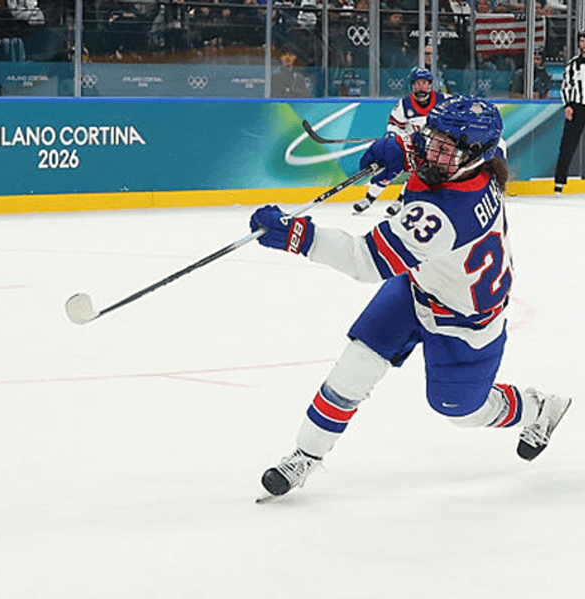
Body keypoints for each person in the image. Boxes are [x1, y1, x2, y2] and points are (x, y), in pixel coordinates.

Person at [248, 96, 571, 501]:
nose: (433, 153)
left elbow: (364, 261)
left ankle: (540, 408)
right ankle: (305, 455)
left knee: (463, 411)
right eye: (433, 140)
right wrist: (405, 147)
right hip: (418, 285)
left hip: (466, 322)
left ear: (474, 156)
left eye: (444, 149)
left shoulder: (446, 216)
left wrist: (298, 236)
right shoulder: (487, 158)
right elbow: (435, 147)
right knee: (353, 368)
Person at [352, 67, 445, 216]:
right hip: (411, 146)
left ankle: (400, 201)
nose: (422, 87)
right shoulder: (405, 104)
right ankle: (369, 199)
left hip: (434, 149)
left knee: (418, 174)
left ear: (431, 85)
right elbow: (394, 125)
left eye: (425, 83)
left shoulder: (442, 100)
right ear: (412, 85)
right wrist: (394, 139)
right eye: (418, 83)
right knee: (389, 170)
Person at [553, 33, 585, 194]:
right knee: (567, 145)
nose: (584, 43)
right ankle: (559, 182)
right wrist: (567, 105)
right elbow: (565, 87)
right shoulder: (573, 64)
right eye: (582, 40)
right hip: (577, 107)